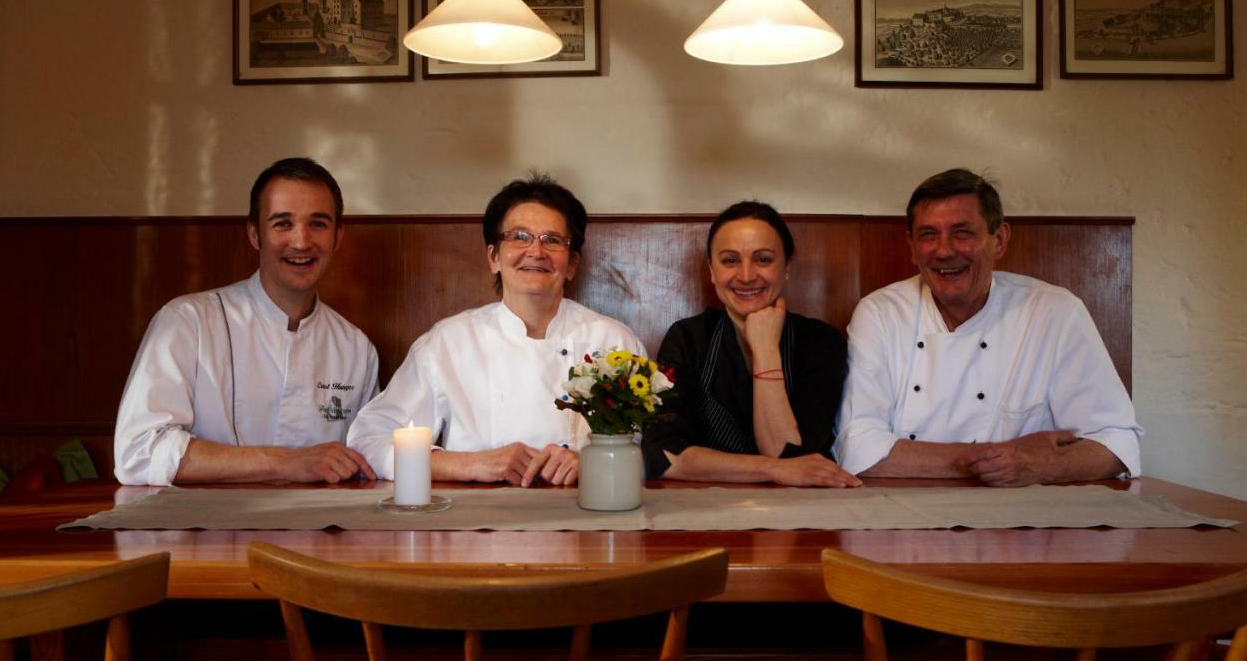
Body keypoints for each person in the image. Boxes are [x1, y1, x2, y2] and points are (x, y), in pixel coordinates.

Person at [835, 168, 1142, 485]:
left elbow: (1116, 442)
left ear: (1000, 240)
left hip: (1024, 519)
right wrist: (1000, 458)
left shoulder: (1055, 311)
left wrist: (1040, 466)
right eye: (928, 234)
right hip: (903, 512)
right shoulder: (882, 312)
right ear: (912, 247)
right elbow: (857, 446)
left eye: (962, 233)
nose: (944, 250)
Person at [347, 173, 644, 487]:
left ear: (571, 264)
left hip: (584, 518)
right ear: (493, 257)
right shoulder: (447, 343)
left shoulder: (614, 341)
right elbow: (370, 438)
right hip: (474, 522)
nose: (536, 251)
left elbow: (648, 454)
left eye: (552, 240)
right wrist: (470, 464)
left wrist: (593, 463)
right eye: (519, 236)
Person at [113, 157, 380, 486]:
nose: (301, 241)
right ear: (255, 234)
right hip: (204, 530)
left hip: (322, 532)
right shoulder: (187, 322)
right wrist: (286, 462)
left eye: (318, 224)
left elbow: (370, 458)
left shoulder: (356, 349)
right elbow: (138, 452)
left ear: (337, 237)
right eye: (282, 223)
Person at [642, 201, 859, 487]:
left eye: (763, 259)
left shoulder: (820, 341)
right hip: (702, 513)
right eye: (730, 260)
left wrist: (766, 349)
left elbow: (792, 452)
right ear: (712, 270)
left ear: (787, 267)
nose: (746, 276)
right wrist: (772, 470)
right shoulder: (688, 338)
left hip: (798, 518)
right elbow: (664, 455)